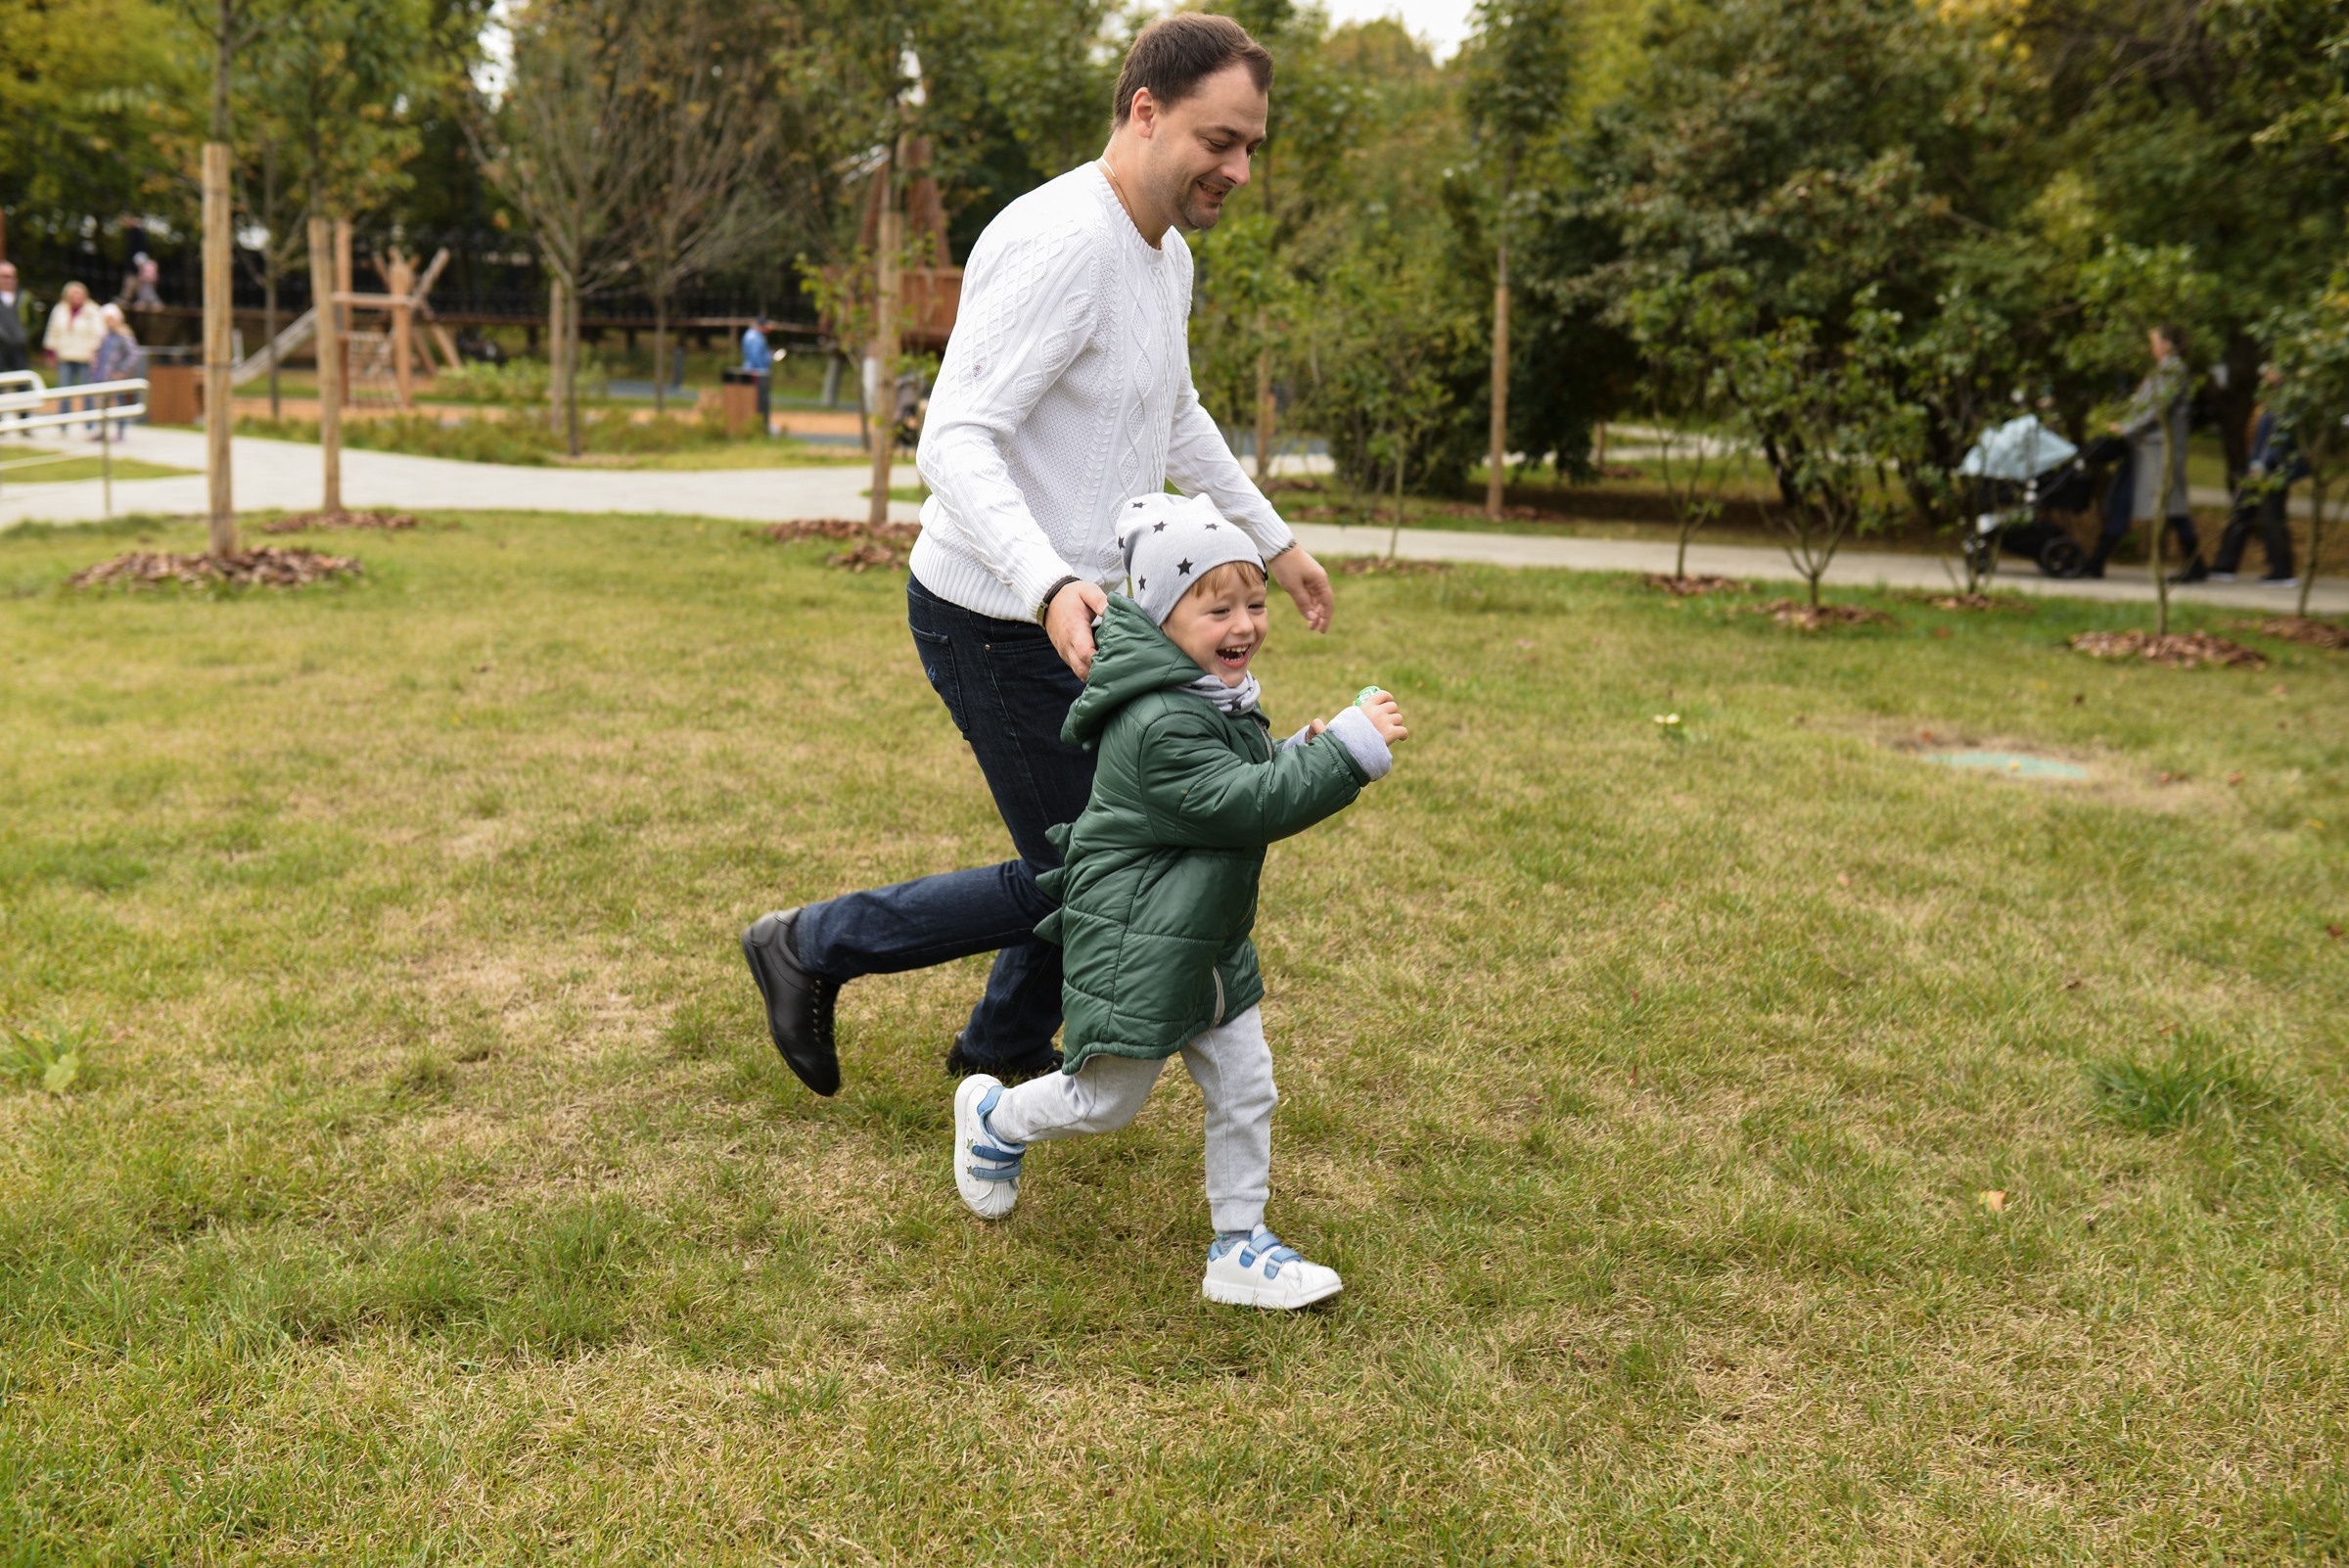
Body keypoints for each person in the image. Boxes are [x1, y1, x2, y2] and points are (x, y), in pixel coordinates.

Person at [741, 14, 1335, 1097]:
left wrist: (1272, 540)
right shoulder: (1061, 240)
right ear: (1145, 113)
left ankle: (1002, 1047)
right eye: (1220, 140)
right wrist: (1048, 579)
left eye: (1253, 144)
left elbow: (1178, 413)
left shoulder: (1167, 258)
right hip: (992, 612)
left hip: (1082, 620)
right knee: (1094, 863)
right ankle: (812, 944)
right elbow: (955, 437)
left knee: (1096, 853)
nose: (1240, 168)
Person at [949, 493, 1407, 1310]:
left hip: (1205, 936)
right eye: (1218, 607)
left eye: (1255, 603)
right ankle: (994, 1117)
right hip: (1143, 947)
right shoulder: (1160, 720)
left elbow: (1244, 776)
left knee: (1246, 1085)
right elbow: (1247, 804)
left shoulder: (1204, 692)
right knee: (1104, 1102)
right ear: (1162, 618)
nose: (1245, 623)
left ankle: (1240, 1247)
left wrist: (1295, 748)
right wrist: (1347, 749)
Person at [2086, 326, 2204, 581]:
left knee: (2170, 506)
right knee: (2124, 501)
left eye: (2154, 342)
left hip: (2159, 450)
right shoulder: (2161, 371)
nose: (2152, 347)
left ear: (2168, 344)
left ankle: (2196, 565)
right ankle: (2097, 560)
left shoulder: (2173, 371)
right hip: (2141, 448)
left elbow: (2158, 410)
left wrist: (2125, 428)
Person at [2210, 366, 2302, 586]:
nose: (2266, 372)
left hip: (2271, 471)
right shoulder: (2271, 396)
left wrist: (2265, 462)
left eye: (2272, 368)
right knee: (2241, 513)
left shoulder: (2288, 399)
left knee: (2272, 517)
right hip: (2255, 467)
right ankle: (2225, 565)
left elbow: (2282, 436)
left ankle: (2283, 570)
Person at [42, 281, 106, 434]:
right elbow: (52, 332)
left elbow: (100, 334)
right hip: (65, 356)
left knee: (87, 392)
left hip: (85, 358)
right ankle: (63, 423)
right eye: (73, 294)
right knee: (64, 390)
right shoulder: (60, 310)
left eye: (79, 294)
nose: (76, 297)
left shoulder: (92, 311)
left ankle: (89, 424)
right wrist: (50, 352)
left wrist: (94, 350)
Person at [89, 303, 141, 440]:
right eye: (106, 319)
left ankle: (120, 432)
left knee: (119, 404)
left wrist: (121, 371)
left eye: (111, 318)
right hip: (102, 376)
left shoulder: (124, 335)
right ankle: (102, 431)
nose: (109, 322)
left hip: (115, 377)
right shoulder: (105, 335)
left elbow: (133, 354)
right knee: (101, 405)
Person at [739, 315, 774, 437]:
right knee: (760, 399)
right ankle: (761, 424)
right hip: (757, 371)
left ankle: (753, 423)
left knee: (750, 399)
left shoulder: (749, 335)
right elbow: (756, 357)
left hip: (749, 369)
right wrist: (768, 360)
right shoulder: (756, 338)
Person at [0, 263, 30, 378]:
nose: (8, 280)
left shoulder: (25, 297)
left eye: (11, 276)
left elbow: (35, 321)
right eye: (4, 276)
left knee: (22, 382)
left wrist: (25, 333)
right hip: (1, 347)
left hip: (19, 347)